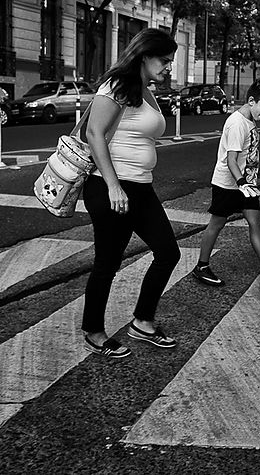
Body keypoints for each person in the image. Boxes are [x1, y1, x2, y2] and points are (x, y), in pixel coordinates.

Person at [81, 28, 181, 358]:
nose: (169, 67)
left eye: (171, 61)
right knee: (107, 263)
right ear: (144, 55)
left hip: (140, 187)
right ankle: (93, 330)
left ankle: (143, 321)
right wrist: (112, 185)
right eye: (164, 60)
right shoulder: (116, 85)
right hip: (110, 188)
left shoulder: (145, 90)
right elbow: (94, 132)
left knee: (168, 252)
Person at [191, 78, 260, 287]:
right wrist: (242, 183)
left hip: (245, 183)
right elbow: (231, 160)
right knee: (217, 223)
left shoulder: (249, 119)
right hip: (228, 184)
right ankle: (201, 267)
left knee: (255, 221)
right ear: (251, 101)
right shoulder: (237, 123)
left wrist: (248, 182)